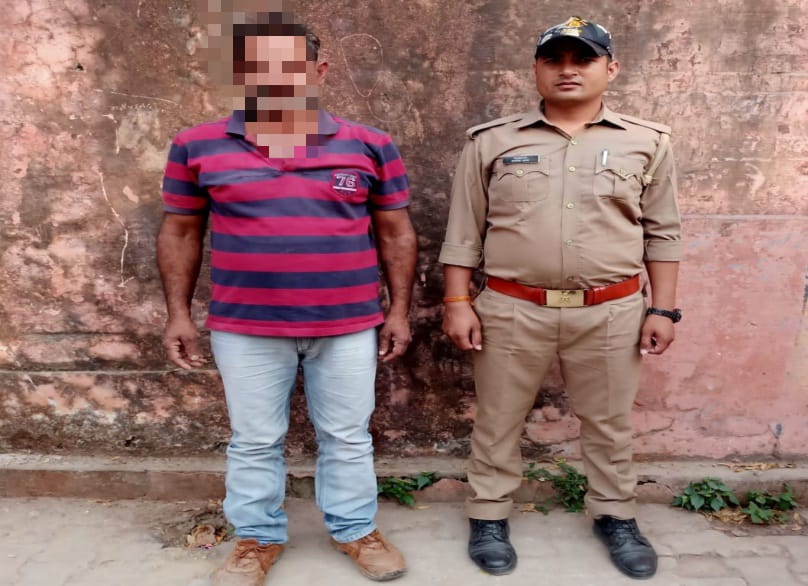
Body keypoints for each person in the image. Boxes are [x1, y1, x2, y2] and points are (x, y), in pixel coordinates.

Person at [157, 12, 416, 585]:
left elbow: (396, 232)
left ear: (318, 71)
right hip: (245, 326)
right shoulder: (196, 146)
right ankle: (256, 538)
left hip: (348, 323)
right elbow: (181, 231)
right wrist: (178, 314)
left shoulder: (370, 145)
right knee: (254, 440)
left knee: (347, 437)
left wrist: (398, 311)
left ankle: (356, 529)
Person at [439, 16, 682, 580]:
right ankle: (489, 515)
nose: (568, 70)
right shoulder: (491, 141)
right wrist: (457, 301)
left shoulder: (647, 142)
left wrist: (662, 309)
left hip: (612, 310)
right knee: (498, 420)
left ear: (610, 68)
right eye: (555, 59)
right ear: (536, 70)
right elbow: (464, 230)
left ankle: (615, 515)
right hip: (511, 307)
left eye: (583, 59)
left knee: (609, 423)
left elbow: (663, 232)